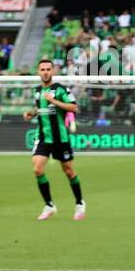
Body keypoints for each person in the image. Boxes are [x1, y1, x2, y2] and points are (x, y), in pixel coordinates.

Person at [24, 58, 84, 221]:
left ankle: (79, 203)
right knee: (37, 169)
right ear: (38, 72)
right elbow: (41, 108)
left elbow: (74, 107)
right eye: (42, 69)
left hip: (60, 138)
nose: (45, 72)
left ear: (53, 71)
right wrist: (31, 113)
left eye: (48, 69)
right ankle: (49, 205)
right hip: (43, 136)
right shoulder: (37, 91)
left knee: (69, 171)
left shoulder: (61, 89)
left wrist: (54, 101)